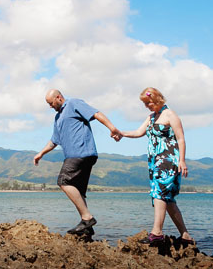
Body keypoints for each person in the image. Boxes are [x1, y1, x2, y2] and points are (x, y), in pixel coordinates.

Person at [33, 89, 122, 235]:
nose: (50, 106)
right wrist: (41, 153)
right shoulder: (58, 118)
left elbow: (96, 113)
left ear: (58, 97)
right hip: (78, 156)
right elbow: (54, 140)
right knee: (78, 191)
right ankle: (87, 228)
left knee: (63, 181)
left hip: (81, 153)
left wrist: (112, 128)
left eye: (51, 103)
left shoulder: (73, 103)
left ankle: (87, 218)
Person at [118, 87, 195, 245]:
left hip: (168, 161)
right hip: (155, 162)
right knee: (169, 200)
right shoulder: (152, 117)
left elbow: (181, 139)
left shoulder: (170, 115)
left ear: (158, 99)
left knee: (159, 194)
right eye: (145, 104)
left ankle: (157, 233)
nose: (147, 106)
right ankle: (185, 236)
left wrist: (182, 160)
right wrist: (120, 133)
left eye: (149, 103)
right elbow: (139, 132)